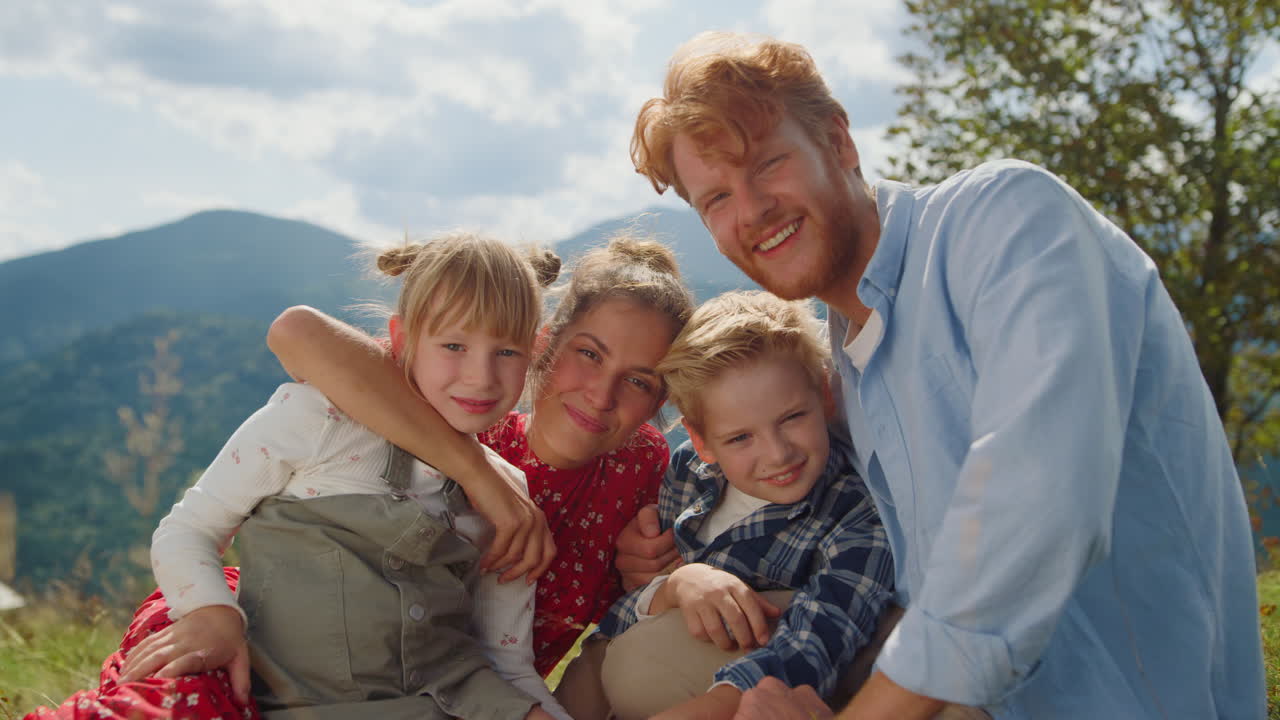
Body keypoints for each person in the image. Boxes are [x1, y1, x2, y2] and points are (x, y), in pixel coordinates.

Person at [623, 30, 1266, 720]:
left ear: (838, 141)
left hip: (1124, 700)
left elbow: (1035, 503)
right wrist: (667, 563)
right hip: (967, 698)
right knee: (648, 668)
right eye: (715, 199)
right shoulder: (844, 357)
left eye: (770, 164)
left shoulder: (1004, 221)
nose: (750, 211)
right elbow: (748, 443)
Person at [28, 232, 569, 720]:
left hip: (454, 700)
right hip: (303, 701)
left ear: (535, 353)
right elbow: (188, 529)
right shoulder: (318, 420)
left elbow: (506, 661)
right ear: (401, 341)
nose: (480, 375)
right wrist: (214, 614)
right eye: (453, 345)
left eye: (506, 351)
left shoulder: (508, 497)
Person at [265, 232, 696, 679]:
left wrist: (639, 579)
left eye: (639, 382)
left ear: (659, 402)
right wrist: (478, 472)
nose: (602, 395)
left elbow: (624, 612)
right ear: (542, 347)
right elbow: (297, 332)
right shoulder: (451, 411)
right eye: (588, 354)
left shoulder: (638, 466)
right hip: (309, 654)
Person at [558, 290, 895, 720]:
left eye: (793, 417)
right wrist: (676, 584)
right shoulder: (689, 472)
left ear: (825, 399)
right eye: (740, 438)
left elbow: (820, 639)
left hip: (740, 692)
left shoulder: (856, 514)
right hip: (636, 640)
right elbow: (637, 602)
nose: (777, 454)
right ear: (701, 442)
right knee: (588, 672)